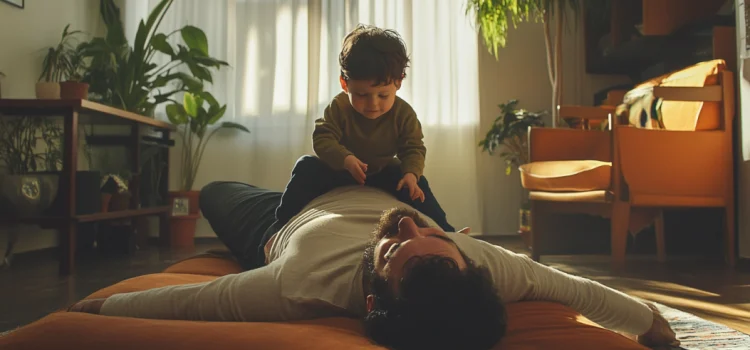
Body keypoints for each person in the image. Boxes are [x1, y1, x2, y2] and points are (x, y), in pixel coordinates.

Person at [69, 182, 679, 350]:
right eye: (432, 237)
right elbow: (576, 287)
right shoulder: (480, 261)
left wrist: (99, 309)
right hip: (374, 182)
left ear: (370, 301)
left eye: (394, 249)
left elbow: (194, 303)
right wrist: (650, 324)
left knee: (218, 189)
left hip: (283, 218)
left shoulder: (295, 286)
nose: (405, 231)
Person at [274, 24, 457, 233]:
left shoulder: (404, 113)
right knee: (306, 166)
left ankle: (446, 231)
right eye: (361, 95)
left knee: (416, 183)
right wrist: (346, 159)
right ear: (345, 84)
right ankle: (280, 225)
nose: (373, 104)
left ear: (398, 83)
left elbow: (413, 147)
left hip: (380, 173)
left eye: (382, 95)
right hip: (339, 171)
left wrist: (411, 174)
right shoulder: (339, 106)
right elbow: (323, 138)